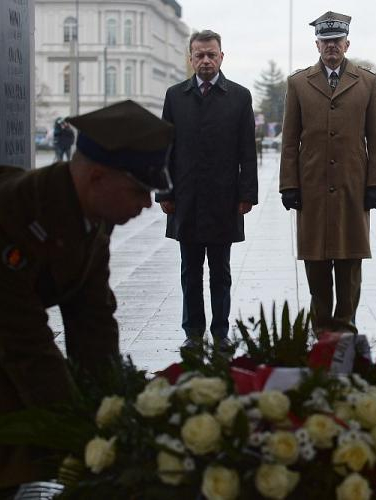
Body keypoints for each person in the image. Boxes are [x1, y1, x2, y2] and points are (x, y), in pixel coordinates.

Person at [0, 99, 173, 496]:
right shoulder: (3, 223)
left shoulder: (91, 212)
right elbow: (26, 347)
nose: (146, 204)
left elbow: (93, 321)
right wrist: (82, 434)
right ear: (97, 177)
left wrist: (113, 408)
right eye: (138, 189)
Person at [279, 11, 376, 332]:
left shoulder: (367, 82)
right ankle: (322, 328)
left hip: (353, 184)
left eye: (336, 41)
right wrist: (289, 185)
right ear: (317, 45)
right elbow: (289, 140)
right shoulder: (298, 83)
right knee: (315, 259)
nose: (331, 47)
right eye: (326, 41)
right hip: (311, 184)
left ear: (347, 43)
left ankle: (346, 328)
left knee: (350, 258)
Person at [157, 30, 258, 351]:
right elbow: (164, 149)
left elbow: (247, 151)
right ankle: (193, 333)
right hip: (185, 198)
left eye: (211, 54)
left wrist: (247, 195)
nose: (205, 60)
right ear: (190, 59)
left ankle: (220, 332)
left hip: (223, 199)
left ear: (221, 57)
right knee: (189, 271)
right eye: (199, 55)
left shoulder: (239, 97)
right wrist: (164, 193)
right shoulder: (175, 96)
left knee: (221, 271)